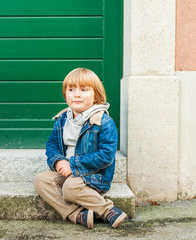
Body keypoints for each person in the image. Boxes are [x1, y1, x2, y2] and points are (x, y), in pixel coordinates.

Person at [34, 68, 127, 229]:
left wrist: (74, 165)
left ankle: (107, 211)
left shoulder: (103, 122)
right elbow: (52, 144)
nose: (76, 94)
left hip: (93, 174)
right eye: (71, 90)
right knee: (41, 181)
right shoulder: (63, 119)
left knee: (70, 188)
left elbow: (106, 156)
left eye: (84, 90)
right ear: (65, 95)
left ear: (96, 96)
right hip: (67, 169)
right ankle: (76, 214)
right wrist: (58, 162)